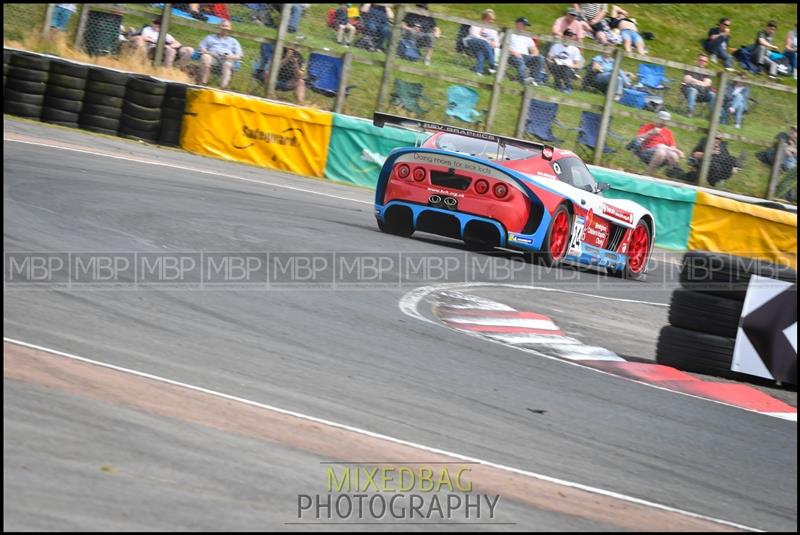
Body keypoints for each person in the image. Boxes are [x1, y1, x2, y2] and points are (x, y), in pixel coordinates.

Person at [630, 110, 685, 176]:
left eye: (666, 121)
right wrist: (650, 133)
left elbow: (672, 146)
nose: (664, 123)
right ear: (656, 119)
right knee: (661, 149)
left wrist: (675, 150)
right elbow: (637, 139)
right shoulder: (647, 127)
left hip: (664, 154)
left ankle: (674, 175)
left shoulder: (668, 132)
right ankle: (648, 174)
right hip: (646, 152)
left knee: (673, 154)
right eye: (662, 120)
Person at [197, 20, 243, 89]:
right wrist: (210, 53)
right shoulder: (210, 37)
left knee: (227, 63)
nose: (224, 28)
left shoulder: (234, 41)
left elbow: (239, 55)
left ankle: (223, 88)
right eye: (223, 26)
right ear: (218, 27)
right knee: (205, 57)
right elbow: (201, 48)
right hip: (212, 57)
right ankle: (203, 83)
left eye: (226, 26)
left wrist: (229, 56)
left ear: (230, 29)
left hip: (226, 59)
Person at [508, 17, 546, 85]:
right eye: (523, 25)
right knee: (519, 60)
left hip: (526, 57)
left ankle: (535, 80)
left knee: (540, 58)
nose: (525, 27)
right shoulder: (510, 33)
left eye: (525, 25)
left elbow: (535, 50)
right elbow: (504, 46)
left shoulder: (526, 36)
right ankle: (522, 79)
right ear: (517, 24)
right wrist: (514, 52)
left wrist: (533, 55)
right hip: (513, 56)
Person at [465, 9, 500, 76]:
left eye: (493, 20)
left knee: (481, 52)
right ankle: (492, 63)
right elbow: (474, 35)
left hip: (484, 47)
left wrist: (494, 44)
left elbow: (497, 42)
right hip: (472, 42)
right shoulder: (477, 24)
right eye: (490, 19)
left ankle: (479, 71)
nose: (492, 21)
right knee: (483, 43)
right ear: (485, 18)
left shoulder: (493, 29)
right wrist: (487, 42)